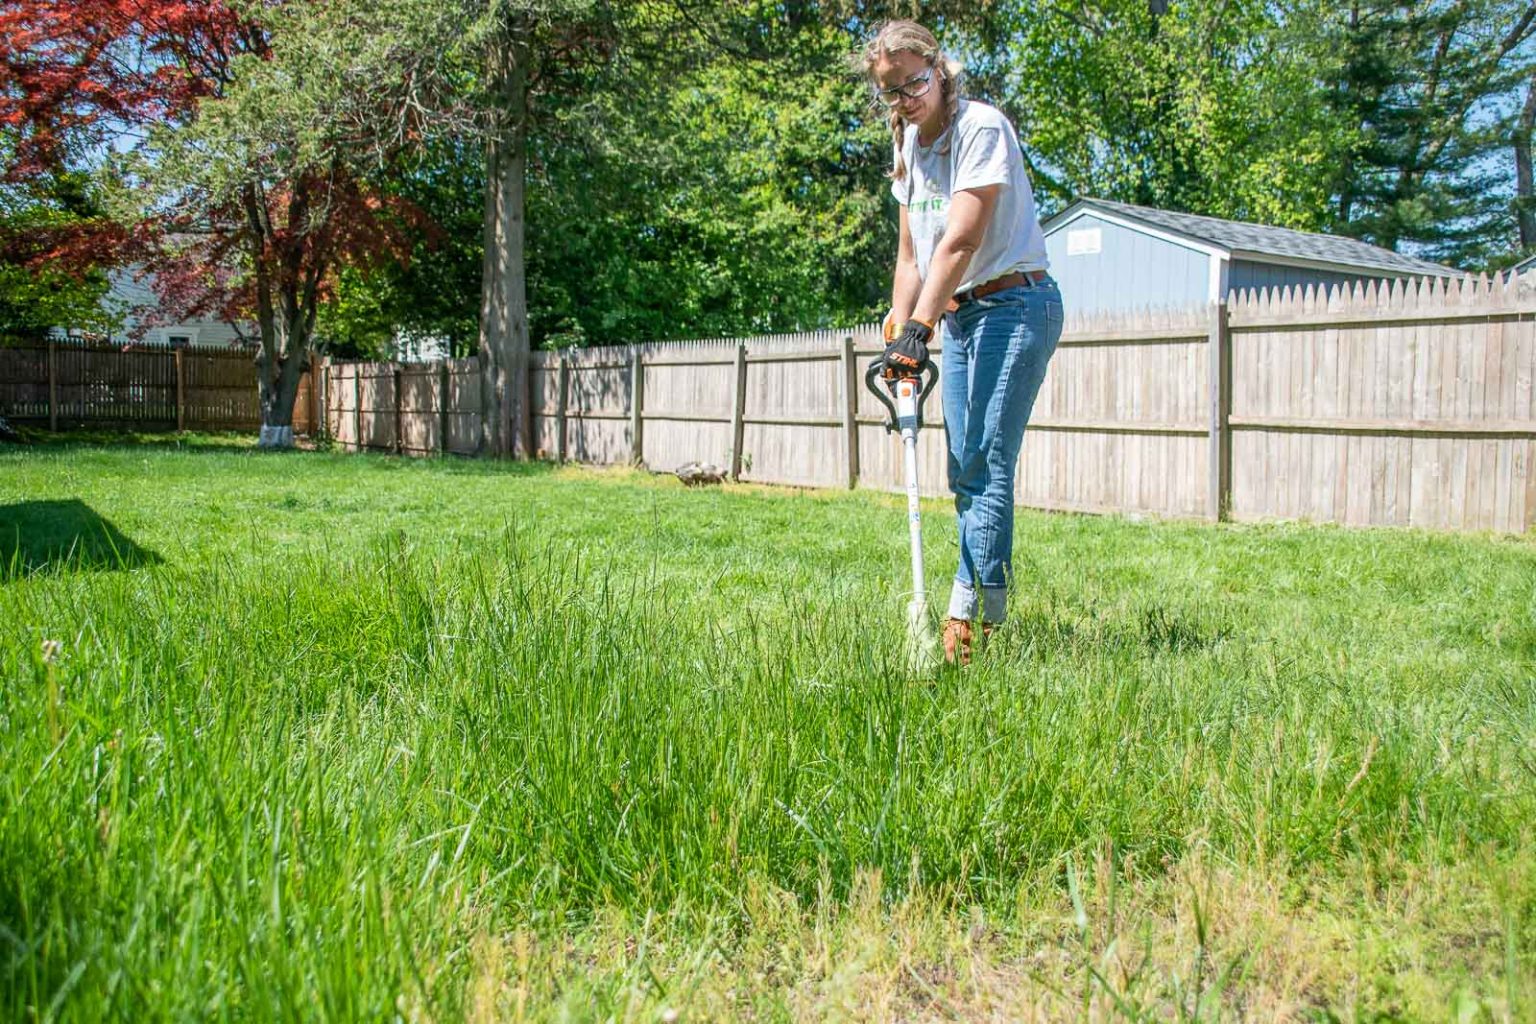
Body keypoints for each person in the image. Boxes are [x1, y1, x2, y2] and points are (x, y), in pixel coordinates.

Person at [859, 20, 1064, 665]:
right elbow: (912, 256)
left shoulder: (981, 128)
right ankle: (991, 606)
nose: (905, 100)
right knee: (962, 468)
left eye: (914, 83)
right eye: (891, 93)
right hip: (963, 316)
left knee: (985, 463)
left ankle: (963, 623)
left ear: (939, 71)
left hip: (1017, 303)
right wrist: (900, 331)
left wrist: (920, 329)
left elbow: (962, 241)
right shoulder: (911, 152)